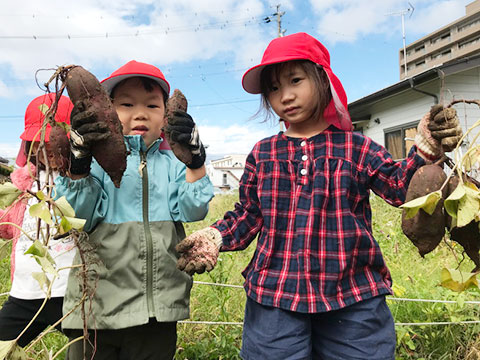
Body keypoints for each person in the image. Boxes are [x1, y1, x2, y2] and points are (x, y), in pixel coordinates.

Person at [175, 32, 462, 360]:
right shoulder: (263, 153)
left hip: (353, 296)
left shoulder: (356, 147)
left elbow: (399, 188)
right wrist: (215, 236)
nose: (285, 95)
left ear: (322, 79)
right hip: (276, 295)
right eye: (273, 88)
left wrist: (426, 147)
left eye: (295, 80)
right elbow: (249, 213)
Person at [54, 60, 214, 360]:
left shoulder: (172, 165)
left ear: (166, 116)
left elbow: (194, 210)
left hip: (156, 312)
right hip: (96, 312)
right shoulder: (96, 166)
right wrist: (77, 169)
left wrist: (195, 161)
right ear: (106, 110)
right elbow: (75, 219)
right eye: (126, 104)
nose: (140, 113)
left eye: (152, 106)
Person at [0, 93, 76, 347]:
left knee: (94, 350)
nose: (48, 150)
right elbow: (7, 225)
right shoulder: (23, 185)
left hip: (74, 292)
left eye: (58, 143)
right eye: (39, 143)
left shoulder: (80, 183)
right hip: (26, 292)